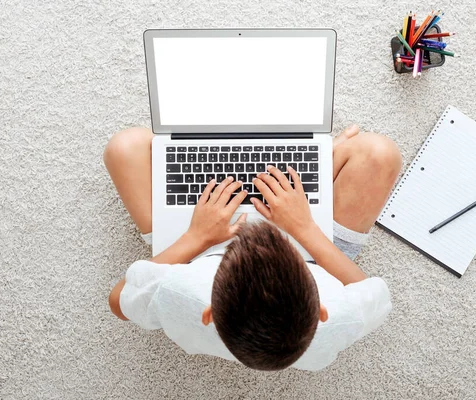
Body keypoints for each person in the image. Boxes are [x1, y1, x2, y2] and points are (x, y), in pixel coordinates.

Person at [104, 125, 402, 371]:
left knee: (124, 147)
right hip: (312, 253)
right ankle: (309, 175)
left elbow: (118, 300)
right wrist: (305, 229)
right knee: (381, 153)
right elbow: (367, 287)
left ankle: (303, 174)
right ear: (321, 311)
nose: (256, 229)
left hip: (199, 250)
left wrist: (197, 236)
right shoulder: (342, 316)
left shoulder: (179, 290)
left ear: (208, 314)